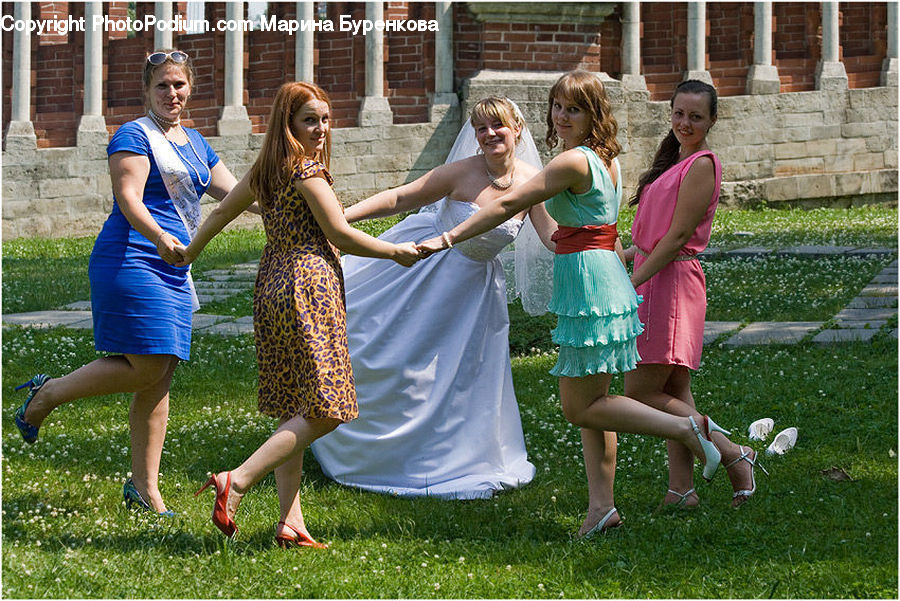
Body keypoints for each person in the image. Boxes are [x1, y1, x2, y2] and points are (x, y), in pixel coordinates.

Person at [418, 70, 745, 537]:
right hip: (596, 279)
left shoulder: (573, 161)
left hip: (593, 287)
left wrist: (447, 236)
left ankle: (685, 430)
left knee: (579, 408)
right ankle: (601, 508)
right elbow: (565, 232)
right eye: (557, 106)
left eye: (574, 108)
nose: (562, 115)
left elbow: (510, 203)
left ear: (593, 114)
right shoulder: (602, 159)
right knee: (596, 404)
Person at [175, 81, 419, 546]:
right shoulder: (307, 171)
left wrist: (190, 252)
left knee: (293, 404)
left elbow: (220, 213)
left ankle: (290, 520)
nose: (322, 129)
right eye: (311, 120)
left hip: (271, 284)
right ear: (288, 125)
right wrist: (394, 251)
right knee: (328, 408)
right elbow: (341, 234)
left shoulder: (266, 172)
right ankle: (239, 479)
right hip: (308, 285)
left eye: (326, 119)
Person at [11, 49, 240, 516]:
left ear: (190, 87)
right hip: (133, 255)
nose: (171, 94)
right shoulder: (134, 135)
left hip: (175, 264)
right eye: (162, 86)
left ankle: (144, 489)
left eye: (178, 85)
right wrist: (159, 237)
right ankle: (48, 393)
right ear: (147, 90)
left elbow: (236, 196)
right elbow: (129, 198)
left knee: (160, 375)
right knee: (148, 365)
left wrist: (293, 203)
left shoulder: (197, 142)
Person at [310, 97, 557, 499]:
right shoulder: (462, 172)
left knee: (462, 379)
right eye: (481, 128)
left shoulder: (535, 182)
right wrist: (337, 218)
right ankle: (370, 451)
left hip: (475, 293)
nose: (490, 134)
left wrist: (599, 243)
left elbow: (552, 238)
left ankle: (453, 456)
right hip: (423, 270)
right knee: (396, 358)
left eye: (498, 125)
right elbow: (401, 197)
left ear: (518, 128)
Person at [623, 80, 764, 509]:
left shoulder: (702, 164)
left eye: (696, 116)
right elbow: (656, 232)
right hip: (655, 273)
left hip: (668, 284)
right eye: (679, 114)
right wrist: (628, 254)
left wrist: (633, 281)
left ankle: (735, 454)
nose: (685, 123)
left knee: (640, 395)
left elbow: (680, 235)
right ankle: (681, 489)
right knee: (676, 394)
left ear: (712, 121)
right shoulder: (673, 160)